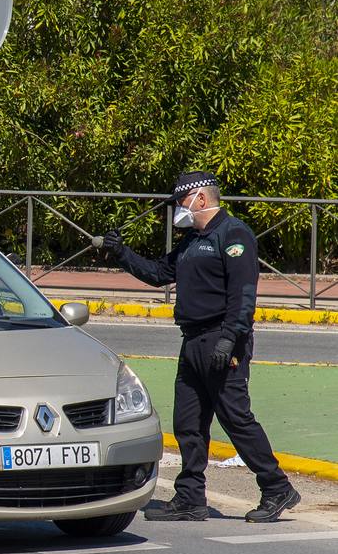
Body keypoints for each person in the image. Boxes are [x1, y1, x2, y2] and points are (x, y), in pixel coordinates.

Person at [102, 171, 299, 523]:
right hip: (192, 340)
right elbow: (160, 273)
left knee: (235, 417)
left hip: (222, 339)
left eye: (181, 201)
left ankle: (276, 488)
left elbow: (243, 294)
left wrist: (230, 338)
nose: (179, 208)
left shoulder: (234, 233)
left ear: (201, 199)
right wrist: (122, 254)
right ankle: (190, 498)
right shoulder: (193, 240)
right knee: (188, 422)